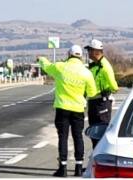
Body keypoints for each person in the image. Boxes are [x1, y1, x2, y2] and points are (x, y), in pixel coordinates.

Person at [37, 45, 97, 177]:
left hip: (62, 108)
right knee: (78, 136)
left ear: (69, 54)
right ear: (80, 56)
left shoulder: (60, 67)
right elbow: (92, 92)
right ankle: (79, 168)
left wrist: (41, 59)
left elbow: (47, 66)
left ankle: (62, 168)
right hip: (78, 109)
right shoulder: (86, 72)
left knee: (63, 136)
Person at [84, 39, 119, 149]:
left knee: (101, 131)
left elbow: (113, 84)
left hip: (102, 102)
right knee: (94, 132)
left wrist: (113, 89)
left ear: (94, 52)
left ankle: (101, 159)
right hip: (93, 101)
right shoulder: (93, 65)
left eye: (89, 50)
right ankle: (95, 162)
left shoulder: (104, 66)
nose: (88, 53)